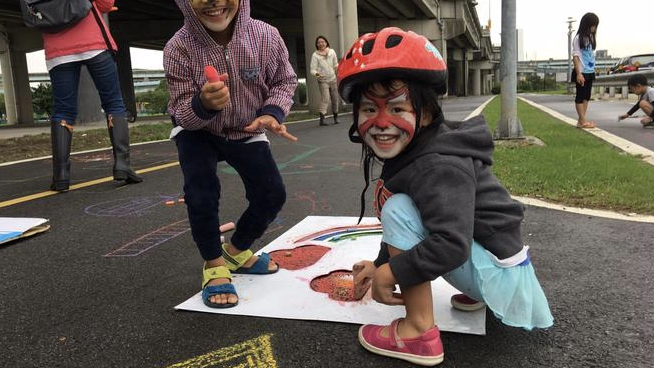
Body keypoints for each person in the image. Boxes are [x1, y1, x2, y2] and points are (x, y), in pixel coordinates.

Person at [337, 27, 554, 366]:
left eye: (396, 109)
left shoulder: (437, 165)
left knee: (397, 208)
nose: (380, 123)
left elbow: (451, 244)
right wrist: (380, 263)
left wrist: (389, 274)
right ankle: (476, 294)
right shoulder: (421, 148)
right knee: (408, 210)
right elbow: (423, 227)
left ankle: (418, 332)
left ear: (424, 113)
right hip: (498, 269)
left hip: (501, 279)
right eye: (368, 110)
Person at [164, 0, 298, 308]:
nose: (214, 2)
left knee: (271, 193)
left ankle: (235, 252)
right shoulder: (178, 48)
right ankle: (213, 264)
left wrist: (272, 112)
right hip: (196, 130)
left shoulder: (266, 36)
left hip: (247, 126)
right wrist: (203, 104)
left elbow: (284, 80)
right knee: (201, 192)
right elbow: (183, 110)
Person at [43, 0, 142, 192]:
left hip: (57, 46)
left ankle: (61, 176)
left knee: (63, 109)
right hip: (93, 43)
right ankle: (122, 165)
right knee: (113, 102)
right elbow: (105, 3)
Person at [572, 12, 600, 129]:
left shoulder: (591, 37)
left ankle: (581, 121)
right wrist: (578, 74)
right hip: (581, 71)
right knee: (580, 96)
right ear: (586, 25)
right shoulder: (578, 38)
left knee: (586, 96)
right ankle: (583, 121)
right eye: (592, 25)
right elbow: (576, 56)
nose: (594, 28)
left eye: (595, 26)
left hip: (589, 71)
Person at [310, 35, 340, 126]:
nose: (321, 44)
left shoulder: (332, 52)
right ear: (317, 44)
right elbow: (313, 69)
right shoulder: (315, 55)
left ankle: (335, 118)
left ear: (326, 43)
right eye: (319, 42)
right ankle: (322, 120)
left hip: (333, 79)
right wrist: (317, 74)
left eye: (322, 42)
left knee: (335, 99)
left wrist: (338, 72)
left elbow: (336, 65)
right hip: (323, 80)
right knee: (325, 98)